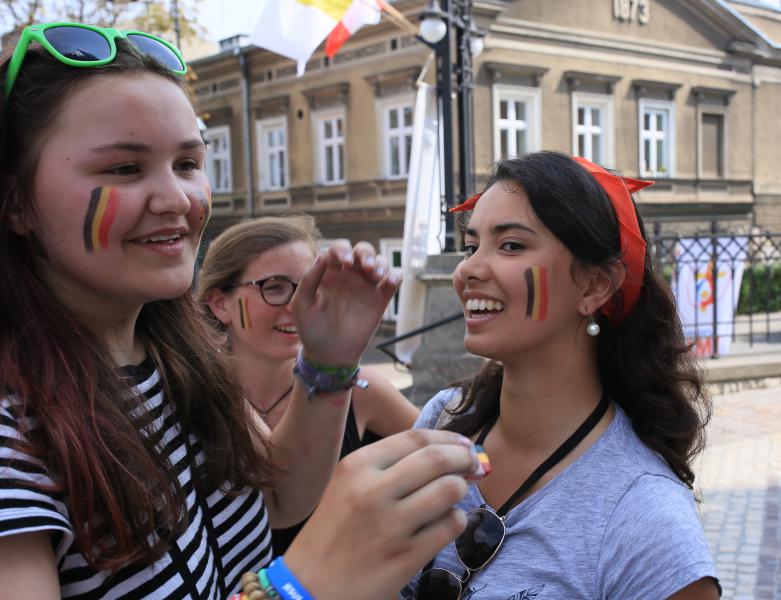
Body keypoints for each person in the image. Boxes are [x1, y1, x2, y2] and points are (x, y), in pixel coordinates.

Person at [0, 22, 480, 599]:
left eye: (187, 163)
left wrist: (328, 362)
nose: (177, 199)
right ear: (16, 201)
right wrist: (298, 586)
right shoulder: (14, 430)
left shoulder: (175, 349)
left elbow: (278, 496)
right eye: (124, 168)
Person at [404, 151, 720, 599]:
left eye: (511, 245)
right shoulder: (445, 419)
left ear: (594, 285)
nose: (468, 270)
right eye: (472, 245)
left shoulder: (645, 519)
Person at [198, 215, 420, 554]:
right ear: (219, 303)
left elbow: (453, 456)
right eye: (274, 287)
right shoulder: (194, 396)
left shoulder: (361, 391)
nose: (297, 305)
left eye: (309, 287)